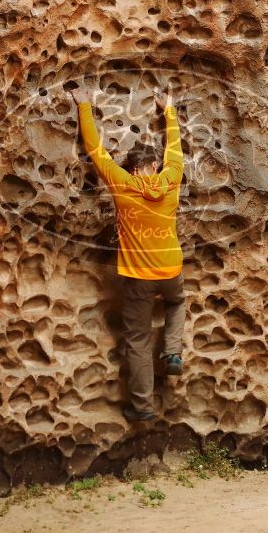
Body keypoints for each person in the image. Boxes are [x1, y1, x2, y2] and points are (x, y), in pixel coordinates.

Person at [70, 86, 185, 422]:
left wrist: (85, 105)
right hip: (172, 270)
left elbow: (96, 151)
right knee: (177, 303)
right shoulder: (172, 179)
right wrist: (169, 110)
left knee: (137, 341)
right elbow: (175, 152)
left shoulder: (122, 184)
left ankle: (143, 408)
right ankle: (174, 353)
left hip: (139, 280)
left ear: (134, 169)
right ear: (154, 166)